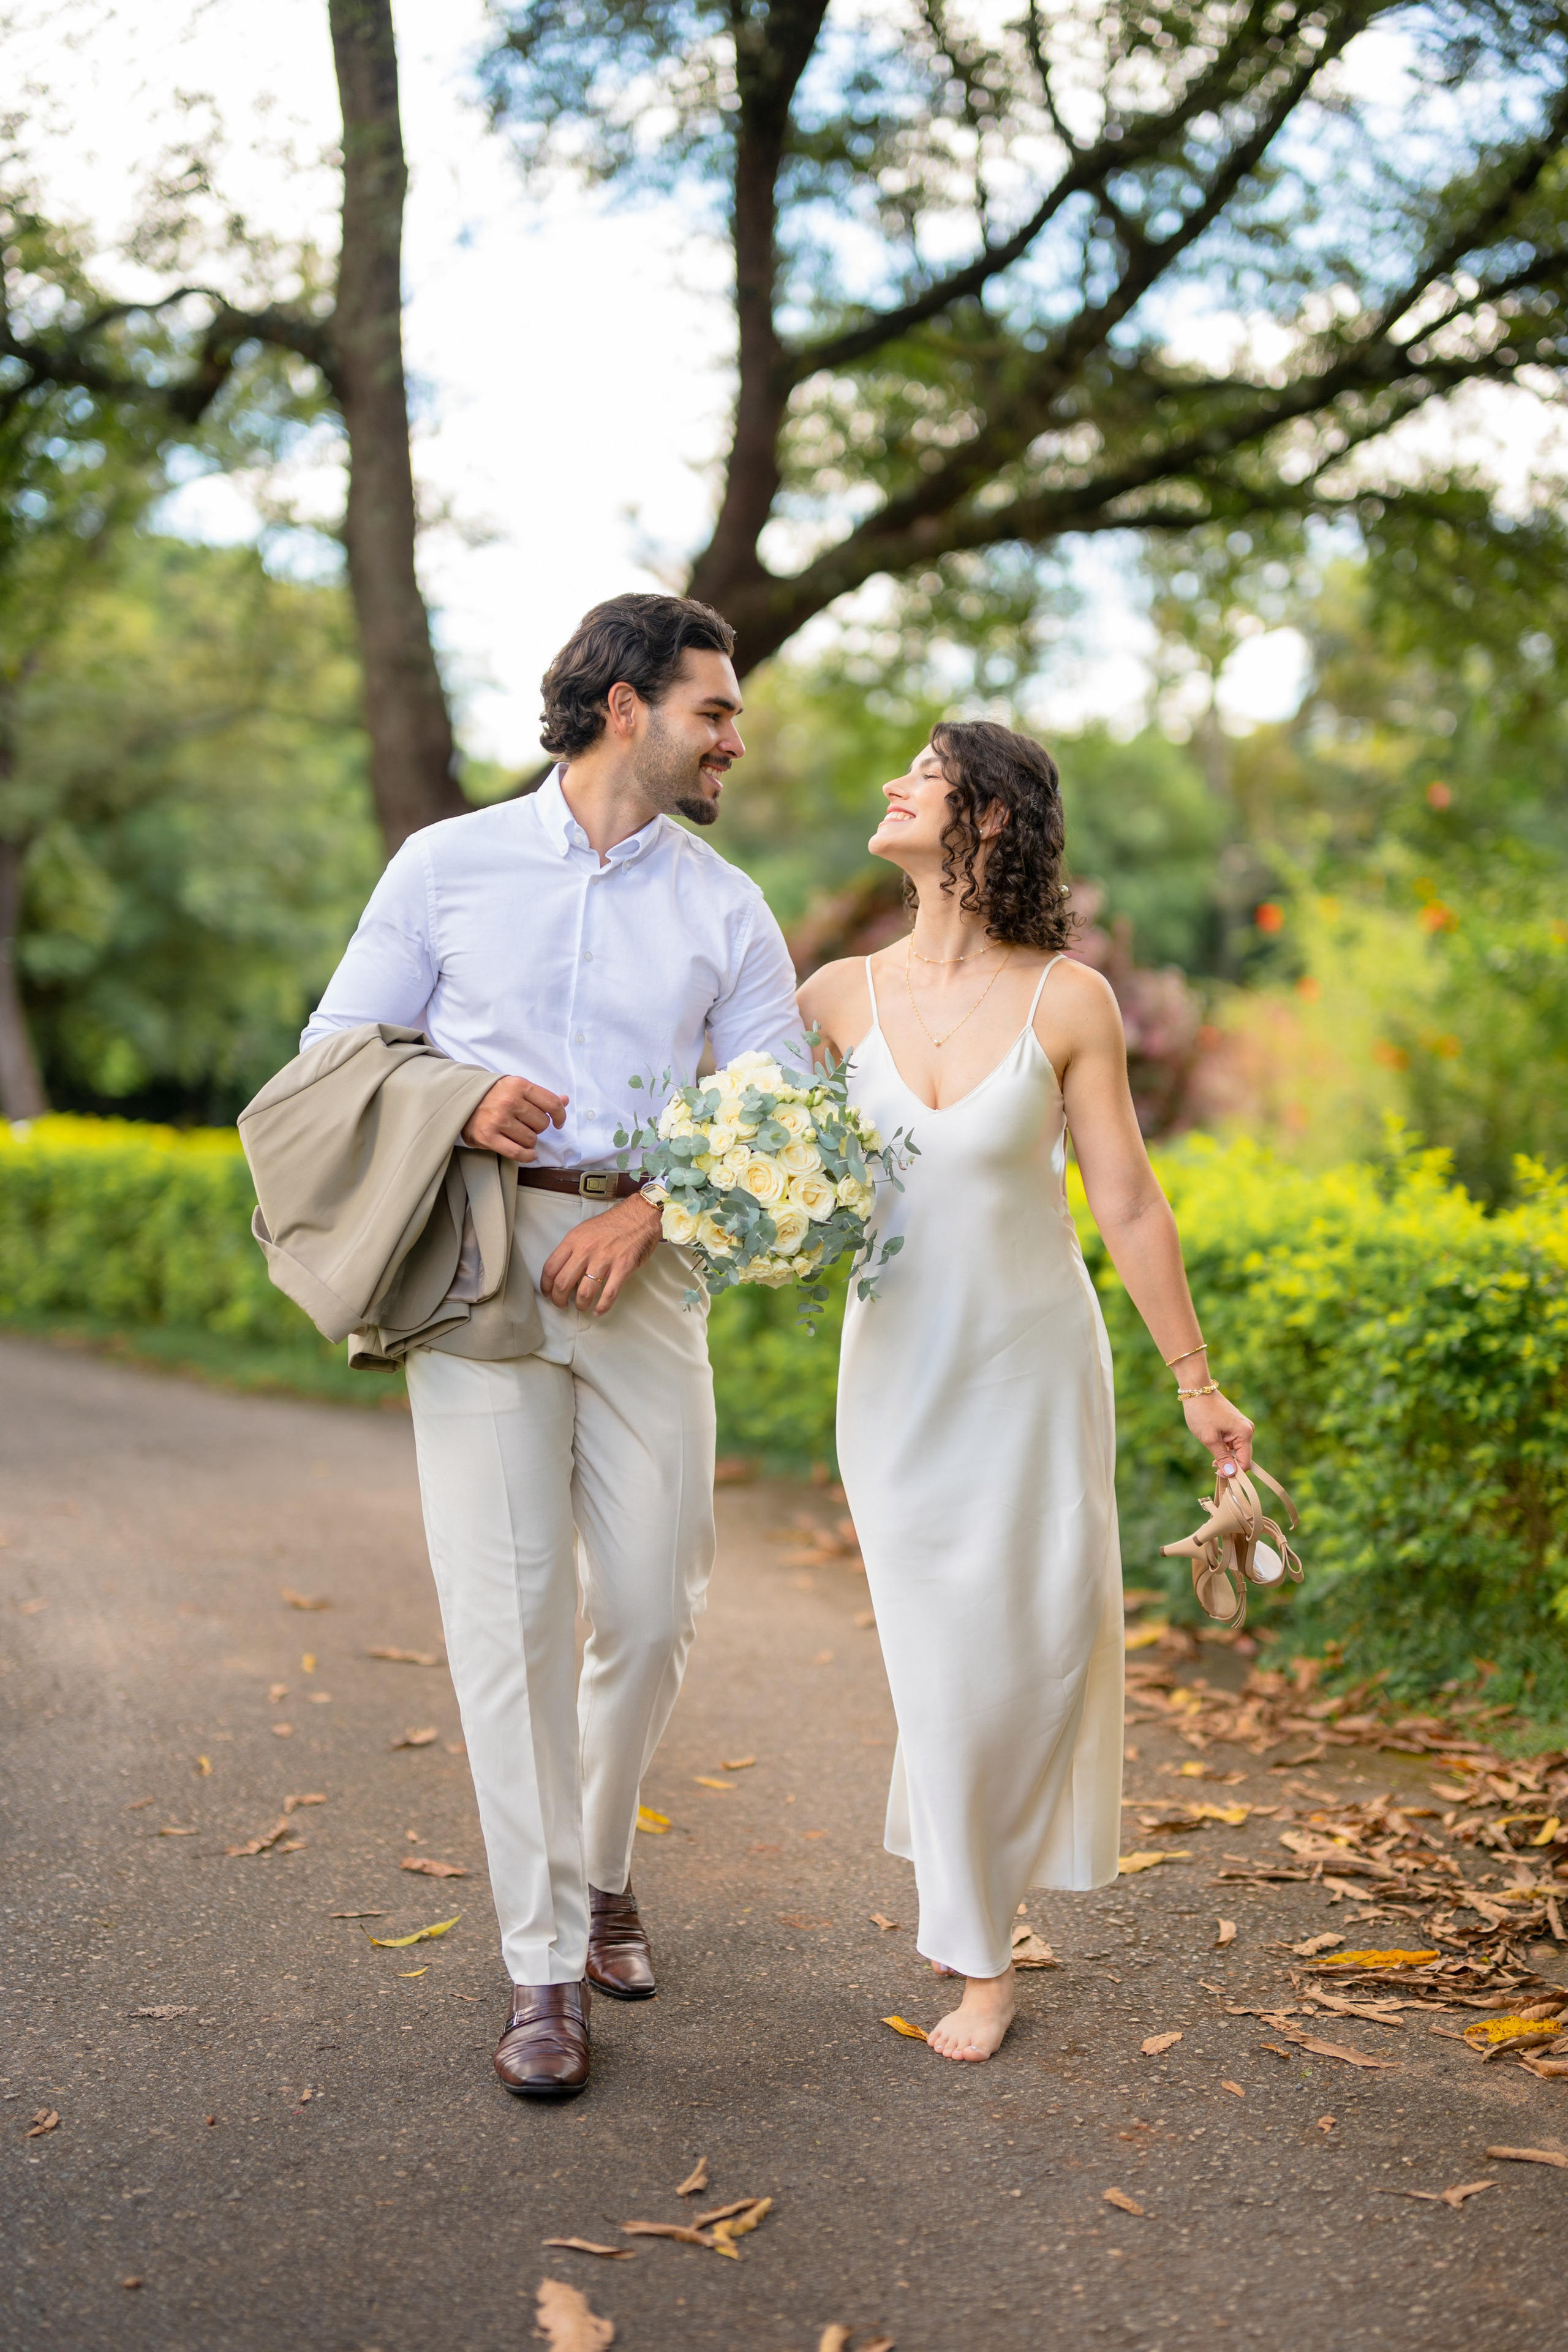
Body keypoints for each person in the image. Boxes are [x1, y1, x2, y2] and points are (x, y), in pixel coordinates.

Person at [301, 594, 800, 2097]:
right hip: (476, 1264)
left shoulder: (728, 905)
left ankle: (596, 1869)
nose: (732, 738)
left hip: (642, 1273)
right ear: (624, 708)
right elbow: (334, 1052)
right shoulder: (445, 867)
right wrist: (458, 1099)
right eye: (712, 710)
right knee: (505, 1619)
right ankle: (541, 1969)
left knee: (649, 1607)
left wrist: (646, 1212)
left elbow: (783, 1113)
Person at [797, 721, 1253, 2064]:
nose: (894, 787)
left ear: (987, 819)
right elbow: (766, 1163)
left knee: (1021, 1649)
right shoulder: (828, 997)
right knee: (936, 1659)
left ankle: (976, 1941)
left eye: (923, 776)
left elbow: (1122, 1198)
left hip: (1031, 1369)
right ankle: (976, 1939)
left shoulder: (1068, 1001)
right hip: (894, 1373)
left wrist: (1196, 1386)